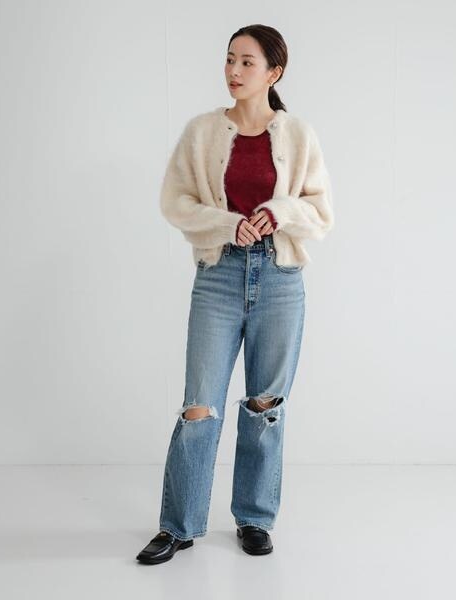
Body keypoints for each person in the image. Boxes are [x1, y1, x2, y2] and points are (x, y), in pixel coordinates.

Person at [136, 24, 334, 565]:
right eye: (229, 59)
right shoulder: (201, 131)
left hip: (280, 279)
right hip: (219, 276)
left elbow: (320, 212)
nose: (234, 71)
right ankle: (178, 526)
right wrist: (228, 224)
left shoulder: (298, 135)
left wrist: (280, 211)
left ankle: (254, 517)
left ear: (274, 73)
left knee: (265, 405)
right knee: (199, 406)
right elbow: (175, 201)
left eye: (247, 62)